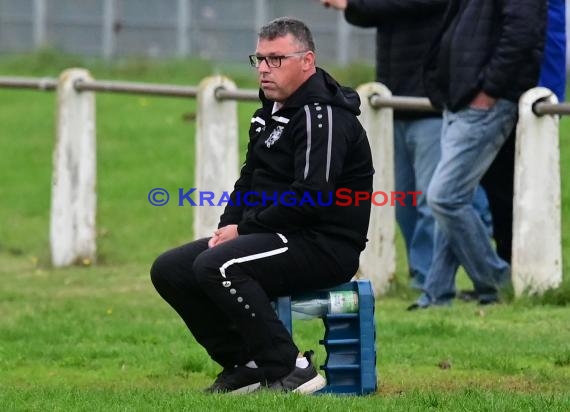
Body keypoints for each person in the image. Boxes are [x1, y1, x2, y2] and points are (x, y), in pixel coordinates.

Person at [150, 17, 374, 394]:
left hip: (322, 243)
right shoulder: (270, 112)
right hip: (275, 232)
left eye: (276, 59)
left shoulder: (324, 117)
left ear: (307, 61)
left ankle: (292, 368)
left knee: (217, 266)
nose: (265, 70)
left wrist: (246, 229)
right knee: (171, 269)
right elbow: (249, 181)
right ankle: (246, 364)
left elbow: (311, 196)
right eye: (260, 59)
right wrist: (228, 228)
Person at [320, 0, 491, 290]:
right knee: (405, 204)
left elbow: (392, 6)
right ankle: (426, 277)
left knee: (431, 201)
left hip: (428, 106)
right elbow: (371, 13)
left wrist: (350, 4)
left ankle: (434, 284)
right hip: (395, 104)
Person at [409, 0, 546, 309]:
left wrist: (489, 91)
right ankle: (437, 292)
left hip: (484, 103)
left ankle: (496, 282)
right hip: (459, 99)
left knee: (446, 197)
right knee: (457, 197)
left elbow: (521, 34)